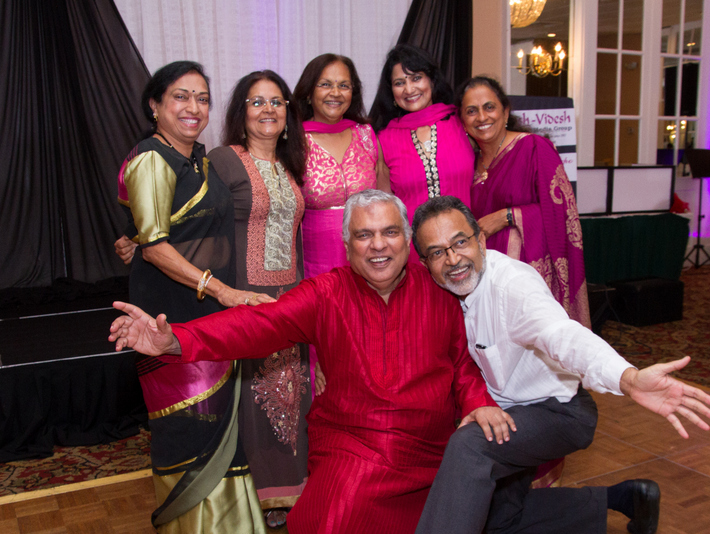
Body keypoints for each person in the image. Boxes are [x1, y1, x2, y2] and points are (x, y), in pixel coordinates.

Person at [108, 189, 513, 534]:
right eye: (364, 235)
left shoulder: (439, 289)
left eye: (390, 232)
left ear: (408, 240)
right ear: (346, 244)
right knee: (329, 520)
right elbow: (258, 324)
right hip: (354, 445)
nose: (378, 245)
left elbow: (463, 364)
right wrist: (176, 339)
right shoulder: (326, 293)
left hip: (427, 451)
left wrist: (478, 403)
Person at [410, 196, 710, 534]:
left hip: (560, 412)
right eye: (437, 252)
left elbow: (560, 335)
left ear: (481, 240)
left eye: (460, 243)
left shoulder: (512, 286)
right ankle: (625, 498)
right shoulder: (445, 293)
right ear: (425, 262)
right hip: (510, 413)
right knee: (494, 520)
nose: (453, 259)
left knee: (469, 447)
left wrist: (628, 379)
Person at [116, 60, 266, 532]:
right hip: (170, 317)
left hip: (207, 314)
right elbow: (156, 247)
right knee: (188, 428)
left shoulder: (197, 159)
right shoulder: (152, 158)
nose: (194, 107)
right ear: (155, 105)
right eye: (180, 96)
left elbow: (163, 227)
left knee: (217, 425)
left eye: (202, 98)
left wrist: (131, 238)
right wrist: (222, 290)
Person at [206, 70, 311, 529]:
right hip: (243, 296)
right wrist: (138, 238)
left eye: (276, 102)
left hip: (289, 298)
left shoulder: (290, 166)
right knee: (253, 398)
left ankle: (293, 488)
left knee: (293, 394)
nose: (268, 109)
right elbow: (195, 220)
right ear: (241, 112)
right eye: (256, 101)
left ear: (288, 113)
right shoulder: (224, 160)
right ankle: (253, 495)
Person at [456, 76, 591, 328]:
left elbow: (562, 213)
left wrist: (506, 216)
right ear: (463, 121)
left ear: (505, 111)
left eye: (489, 107)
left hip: (530, 279)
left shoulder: (534, 148)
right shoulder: (468, 165)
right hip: (487, 280)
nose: (482, 117)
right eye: (471, 111)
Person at [293, 53, 389, 394]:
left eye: (344, 85)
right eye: (326, 84)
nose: (335, 92)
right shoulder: (293, 139)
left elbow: (385, 200)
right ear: (309, 92)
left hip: (369, 261)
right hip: (316, 266)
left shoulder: (366, 134)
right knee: (326, 352)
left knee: (371, 349)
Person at [370, 44, 474, 261]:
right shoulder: (384, 139)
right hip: (415, 256)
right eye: (399, 83)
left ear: (432, 80)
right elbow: (386, 207)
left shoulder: (461, 122)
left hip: (466, 245)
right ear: (391, 91)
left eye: (416, 78)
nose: (409, 89)